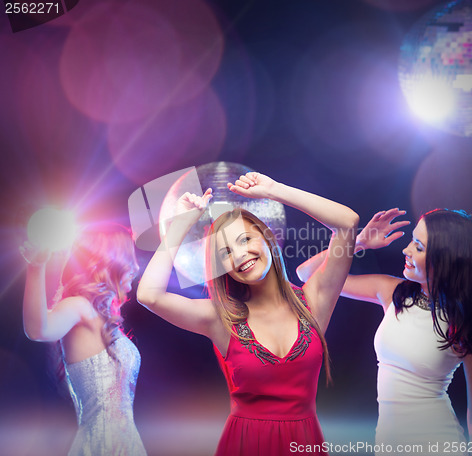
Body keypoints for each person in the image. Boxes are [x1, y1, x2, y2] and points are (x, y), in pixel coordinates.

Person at [137, 171, 359, 456]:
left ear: (268, 238)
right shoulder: (220, 318)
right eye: (225, 253)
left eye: (245, 240)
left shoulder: (315, 301)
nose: (239, 255)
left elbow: (347, 223)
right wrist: (180, 224)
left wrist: (275, 190)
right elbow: (149, 295)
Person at [297, 208, 472, 456]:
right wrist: (359, 242)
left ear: (447, 259)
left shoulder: (468, 321)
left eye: (419, 247)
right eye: (412, 241)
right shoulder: (393, 292)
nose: (406, 250)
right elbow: (307, 274)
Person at [21, 223, 147, 456]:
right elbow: (38, 329)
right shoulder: (79, 306)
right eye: (129, 257)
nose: (136, 266)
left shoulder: (104, 315)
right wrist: (36, 267)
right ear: (111, 259)